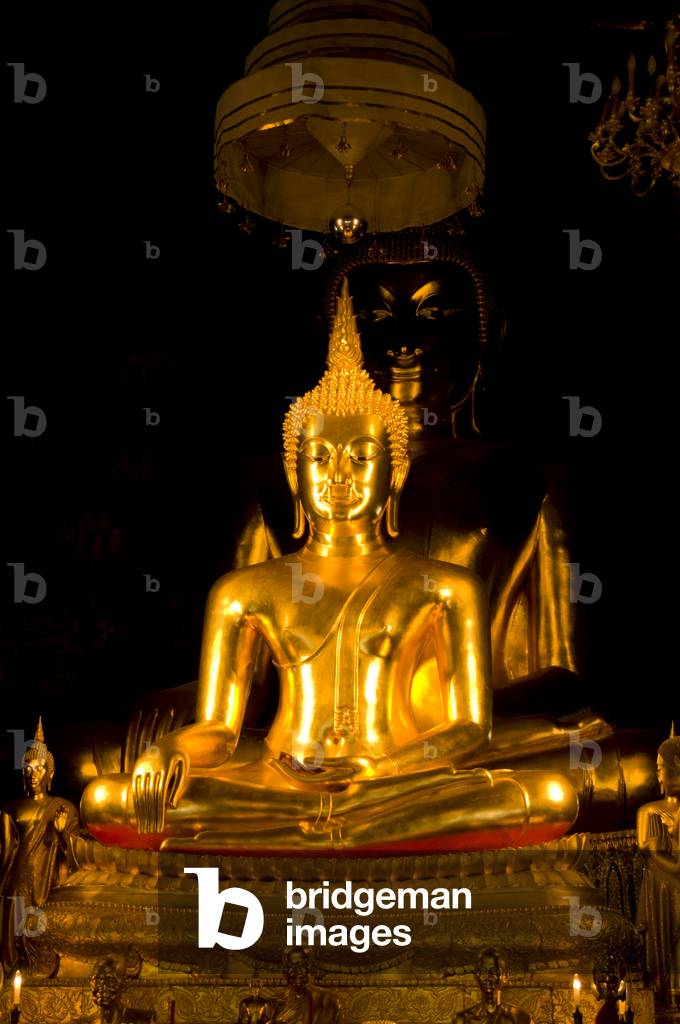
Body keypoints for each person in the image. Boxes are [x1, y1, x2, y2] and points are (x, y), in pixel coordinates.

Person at [80, 282, 576, 854]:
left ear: (394, 477)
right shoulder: (243, 591)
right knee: (106, 801)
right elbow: (219, 729)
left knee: (547, 796)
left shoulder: (445, 586)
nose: (339, 476)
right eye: (320, 458)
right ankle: (336, 832)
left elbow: (469, 730)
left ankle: (314, 832)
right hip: (279, 781)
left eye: (362, 458)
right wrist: (170, 751)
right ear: (295, 476)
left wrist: (375, 770)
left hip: (396, 780)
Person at [0, 719, 79, 972]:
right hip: (18, 882)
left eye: (39, 768)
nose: (32, 773)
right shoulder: (11, 809)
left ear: (51, 773)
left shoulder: (63, 808)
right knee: (13, 939)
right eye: (27, 767)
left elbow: (78, 856)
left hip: (50, 882)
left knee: (42, 934)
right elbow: (7, 852)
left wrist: (62, 834)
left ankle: (40, 976)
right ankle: (12, 983)